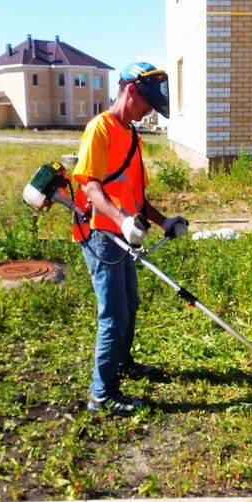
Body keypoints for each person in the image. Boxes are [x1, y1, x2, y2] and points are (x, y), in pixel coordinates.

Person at [71, 61, 188, 416]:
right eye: (145, 103)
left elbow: (137, 197)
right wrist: (122, 221)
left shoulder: (131, 136)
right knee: (113, 317)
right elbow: (91, 187)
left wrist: (164, 220)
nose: (148, 111)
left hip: (123, 236)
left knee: (131, 303)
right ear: (130, 91)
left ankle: (121, 363)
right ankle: (101, 395)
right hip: (102, 236)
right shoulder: (100, 130)